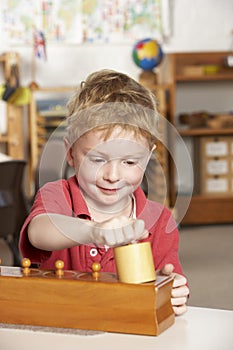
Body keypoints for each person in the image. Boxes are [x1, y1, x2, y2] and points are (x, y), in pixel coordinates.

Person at [19, 69, 189, 316]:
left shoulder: (160, 220)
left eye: (130, 163)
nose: (113, 175)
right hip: (60, 324)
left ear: (148, 156)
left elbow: (167, 280)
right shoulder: (57, 195)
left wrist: (173, 292)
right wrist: (95, 232)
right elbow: (38, 232)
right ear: (70, 152)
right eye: (97, 159)